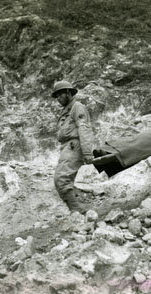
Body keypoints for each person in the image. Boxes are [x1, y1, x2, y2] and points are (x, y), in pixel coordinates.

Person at [51, 80, 95, 213]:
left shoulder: (77, 107)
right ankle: (78, 209)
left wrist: (87, 152)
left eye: (60, 95)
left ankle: (77, 211)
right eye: (56, 96)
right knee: (62, 179)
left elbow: (84, 128)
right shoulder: (67, 110)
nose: (58, 99)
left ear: (68, 93)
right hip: (67, 147)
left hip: (74, 146)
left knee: (61, 179)